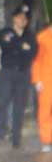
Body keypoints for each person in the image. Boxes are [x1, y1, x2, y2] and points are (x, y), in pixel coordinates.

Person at [0, 4, 38, 149]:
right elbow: (6, 45)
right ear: (14, 18)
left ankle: (16, 140)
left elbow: (32, 53)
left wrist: (18, 45)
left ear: (26, 22)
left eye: (25, 19)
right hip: (8, 74)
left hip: (23, 75)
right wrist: (23, 46)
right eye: (19, 17)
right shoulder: (5, 32)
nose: (22, 20)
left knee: (19, 107)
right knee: (2, 105)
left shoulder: (30, 36)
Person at [32, 24, 52, 152]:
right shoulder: (41, 37)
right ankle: (46, 140)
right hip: (46, 80)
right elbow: (36, 60)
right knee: (45, 110)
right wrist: (37, 79)